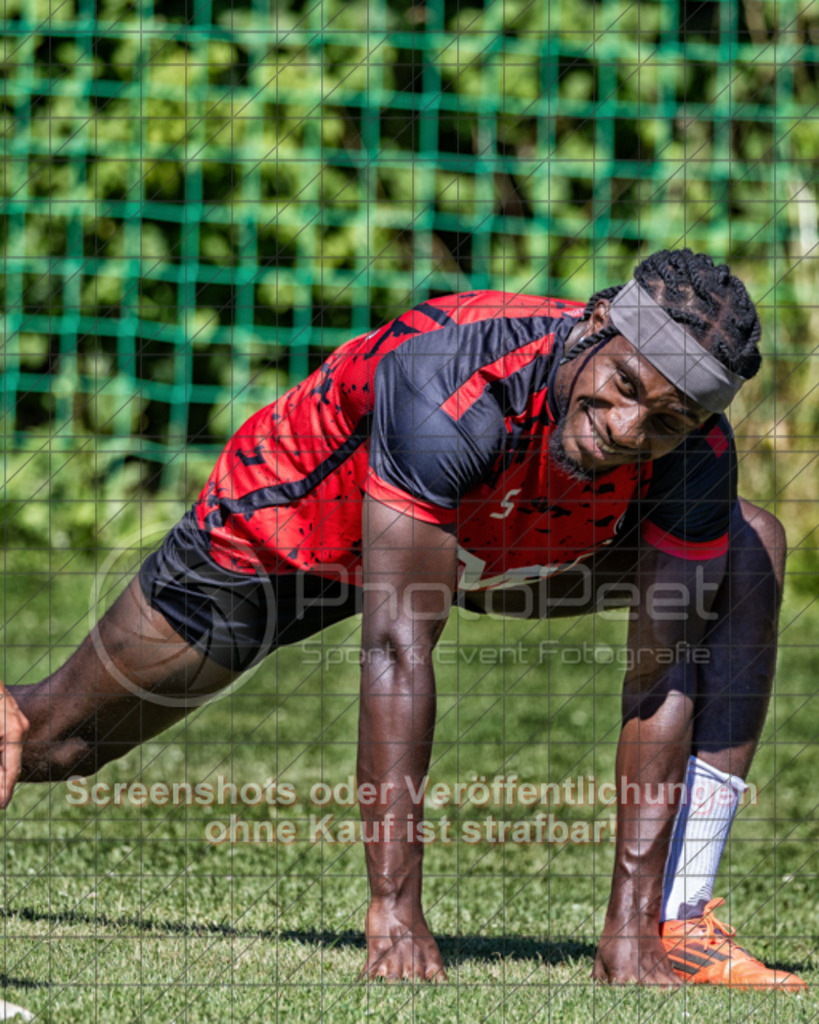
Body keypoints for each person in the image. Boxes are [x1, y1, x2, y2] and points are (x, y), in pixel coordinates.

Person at [0, 249, 806, 989]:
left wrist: (626, 926)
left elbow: (658, 672)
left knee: (749, 550)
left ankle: (675, 920)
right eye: (624, 386)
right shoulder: (453, 375)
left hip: (496, 538)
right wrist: (394, 909)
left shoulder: (692, 450)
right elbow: (396, 648)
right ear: (597, 323)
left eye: (665, 421)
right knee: (62, 742)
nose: (627, 430)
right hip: (293, 532)